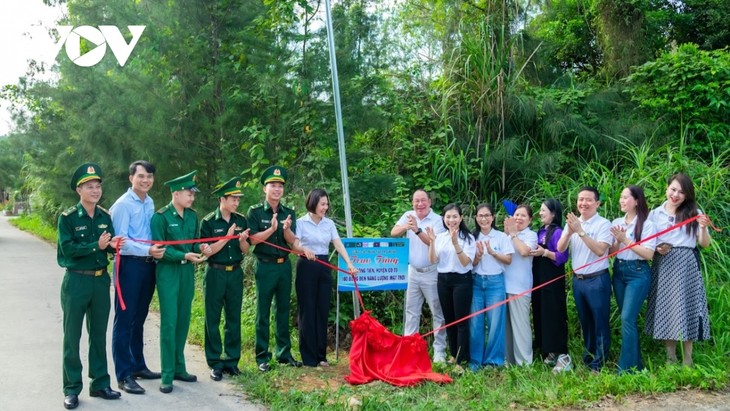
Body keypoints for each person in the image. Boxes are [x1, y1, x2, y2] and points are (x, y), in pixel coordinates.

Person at [57, 162, 124, 409]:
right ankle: (72, 388)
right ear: (79, 190)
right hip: (76, 281)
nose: (95, 191)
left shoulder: (106, 217)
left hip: (99, 281)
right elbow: (69, 250)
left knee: (98, 335)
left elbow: (108, 247)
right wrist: (97, 245)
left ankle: (100, 383)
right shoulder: (68, 218)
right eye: (89, 187)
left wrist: (114, 246)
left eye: (98, 186)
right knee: (72, 337)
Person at [151, 170, 209, 393]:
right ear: (175, 193)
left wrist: (200, 248)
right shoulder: (161, 217)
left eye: (193, 194)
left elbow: (193, 244)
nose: (192, 198)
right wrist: (183, 255)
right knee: (169, 322)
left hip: (187, 274)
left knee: (183, 320)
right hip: (168, 272)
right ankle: (166, 375)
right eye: (188, 193)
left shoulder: (193, 216)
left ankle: (179, 367)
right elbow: (159, 250)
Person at [110, 160, 165, 395]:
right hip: (129, 266)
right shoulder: (122, 205)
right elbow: (120, 242)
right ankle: (123, 375)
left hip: (147, 266)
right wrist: (147, 250)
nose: (146, 180)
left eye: (150, 176)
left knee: (139, 319)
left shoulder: (149, 201)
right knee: (124, 320)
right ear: (131, 178)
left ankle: (138, 365)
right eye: (141, 176)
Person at [645, 173, 711, 367]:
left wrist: (704, 228)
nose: (675, 195)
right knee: (666, 308)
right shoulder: (655, 214)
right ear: (666, 189)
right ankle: (670, 357)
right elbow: (650, 241)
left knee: (687, 307)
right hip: (663, 263)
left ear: (687, 195)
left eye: (681, 192)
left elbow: (704, 244)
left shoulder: (694, 212)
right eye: (673, 189)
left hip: (686, 264)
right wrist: (657, 248)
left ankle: (688, 359)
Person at [247, 165, 307, 372]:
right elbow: (252, 239)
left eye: (280, 186)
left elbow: (292, 242)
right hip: (264, 267)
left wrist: (286, 230)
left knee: (283, 310)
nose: (277, 189)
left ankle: (283, 353)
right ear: (265, 189)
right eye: (273, 185)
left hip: (283, 267)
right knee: (262, 312)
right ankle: (262, 356)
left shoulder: (288, 213)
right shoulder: (254, 212)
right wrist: (271, 229)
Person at [295, 188, 357, 367]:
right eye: (322, 204)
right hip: (306, 265)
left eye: (326, 204)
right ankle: (308, 357)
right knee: (307, 310)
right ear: (313, 203)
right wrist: (303, 250)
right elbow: (295, 243)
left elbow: (337, 244)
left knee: (322, 309)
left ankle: (321, 356)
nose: (325, 207)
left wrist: (349, 263)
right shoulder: (301, 222)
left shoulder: (328, 224)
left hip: (323, 266)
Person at [557, 186, 613, 372]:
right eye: (581, 199)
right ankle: (589, 357)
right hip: (578, 280)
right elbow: (560, 248)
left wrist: (580, 231)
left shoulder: (604, 224)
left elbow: (599, 250)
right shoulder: (573, 222)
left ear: (597, 203)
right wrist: (569, 232)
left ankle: (600, 362)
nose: (584, 203)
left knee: (599, 320)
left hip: (597, 280)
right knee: (585, 321)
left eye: (588, 200)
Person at [200, 177, 250, 381]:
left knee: (233, 317)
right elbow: (208, 252)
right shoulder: (208, 221)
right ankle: (215, 362)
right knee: (212, 317)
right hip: (215, 272)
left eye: (238, 200)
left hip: (235, 272)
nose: (236, 203)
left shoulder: (241, 220)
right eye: (233, 199)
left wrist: (242, 241)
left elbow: (246, 251)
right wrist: (227, 238)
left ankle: (231, 360)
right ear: (223, 199)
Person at [390, 189, 448, 363]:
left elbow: (434, 243)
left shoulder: (438, 220)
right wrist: (405, 226)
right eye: (416, 201)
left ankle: (439, 352)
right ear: (412, 203)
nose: (419, 204)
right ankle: (410, 350)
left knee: (437, 313)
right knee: (411, 312)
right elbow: (394, 232)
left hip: (432, 272)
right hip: (412, 271)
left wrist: (416, 230)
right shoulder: (408, 215)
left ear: (430, 202)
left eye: (423, 200)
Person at [609, 185, 656, 373]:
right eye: (620, 197)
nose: (622, 200)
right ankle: (636, 366)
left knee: (627, 317)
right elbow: (612, 252)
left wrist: (626, 240)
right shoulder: (617, 221)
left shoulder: (646, 224)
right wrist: (618, 240)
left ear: (637, 201)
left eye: (626, 197)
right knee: (626, 319)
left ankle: (625, 369)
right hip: (619, 271)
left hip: (638, 273)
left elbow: (648, 254)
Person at [427, 203, 475, 366]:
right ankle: (454, 354)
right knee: (449, 320)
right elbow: (433, 260)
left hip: (462, 281)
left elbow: (465, 263)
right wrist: (432, 242)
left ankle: (462, 359)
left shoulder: (468, 238)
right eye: (448, 216)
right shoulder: (440, 237)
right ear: (443, 218)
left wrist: (456, 243)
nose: (451, 220)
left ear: (461, 218)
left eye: (455, 216)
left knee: (461, 321)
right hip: (443, 280)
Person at [469, 203, 513, 371]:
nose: (484, 219)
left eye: (487, 215)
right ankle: (475, 361)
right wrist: (478, 256)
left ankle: (494, 360)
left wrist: (493, 253)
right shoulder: (472, 237)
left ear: (493, 217)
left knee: (495, 323)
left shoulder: (501, 237)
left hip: (496, 283)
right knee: (475, 322)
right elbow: (469, 265)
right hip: (476, 282)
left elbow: (508, 260)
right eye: (480, 216)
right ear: (476, 218)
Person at [529, 199, 570, 373]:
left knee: (554, 315)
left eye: (543, 210)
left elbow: (562, 257)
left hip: (552, 281)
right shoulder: (540, 231)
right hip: (539, 281)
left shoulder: (557, 232)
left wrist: (545, 252)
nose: (540, 213)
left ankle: (562, 354)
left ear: (553, 213)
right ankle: (548, 350)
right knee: (541, 315)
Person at [503, 205, 538, 366]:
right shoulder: (506, 235)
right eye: (516, 215)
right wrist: (508, 234)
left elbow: (524, 252)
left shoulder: (531, 235)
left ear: (530, 220)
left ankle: (524, 362)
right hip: (502, 286)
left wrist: (514, 234)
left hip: (520, 287)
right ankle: (508, 360)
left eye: (523, 216)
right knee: (506, 328)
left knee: (520, 326)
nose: (519, 218)